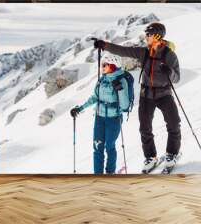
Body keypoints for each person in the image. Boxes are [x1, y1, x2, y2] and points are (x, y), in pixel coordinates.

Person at [93, 22, 181, 173]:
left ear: (158, 36)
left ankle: (172, 154)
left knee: (173, 124)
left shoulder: (169, 55)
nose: (146, 36)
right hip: (146, 95)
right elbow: (123, 51)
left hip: (164, 94)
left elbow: (177, 77)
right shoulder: (144, 52)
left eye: (149, 34)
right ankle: (150, 157)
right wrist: (105, 45)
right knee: (144, 128)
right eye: (146, 34)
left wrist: (169, 71)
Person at [70, 54, 129, 174]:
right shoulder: (102, 80)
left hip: (114, 119)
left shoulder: (121, 81)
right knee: (97, 147)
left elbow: (124, 106)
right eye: (101, 65)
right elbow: (94, 98)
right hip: (99, 118)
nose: (101, 67)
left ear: (112, 65)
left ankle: (110, 173)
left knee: (109, 147)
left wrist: (120, 89)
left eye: (104, 65)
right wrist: (80, 108)